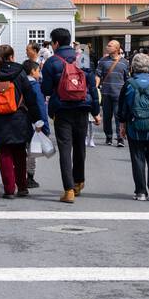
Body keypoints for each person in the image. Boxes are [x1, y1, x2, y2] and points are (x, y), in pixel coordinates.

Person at [40, 27, 99, 203]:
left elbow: (46, 90)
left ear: (56, 43)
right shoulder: (83, 58)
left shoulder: (51, 62)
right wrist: (96, 112)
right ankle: (79, 182)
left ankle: (68, 190)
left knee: (65, 149)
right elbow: (92, 87)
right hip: (82, 107)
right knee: (80, 147)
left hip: (62, 109)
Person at [0, 44, 42, 198]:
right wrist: (36, 119)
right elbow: (30, 97)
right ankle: (22, 187)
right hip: (19, 117)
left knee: (3, 154)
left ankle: (9, 189)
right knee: (19, 153)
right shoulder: (20, 72)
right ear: (12, 56)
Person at [118, 53, 149, 200]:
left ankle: (140, 192)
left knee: (137, 157)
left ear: (133, 67)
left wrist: (122, 126)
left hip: (134, 125)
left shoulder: (128, 84)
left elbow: (122, 108)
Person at [96, 41, 130, 148]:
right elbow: (98, 75)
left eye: (110, 46)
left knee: (118, 116)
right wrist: (95, 87)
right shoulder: (103, 61)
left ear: (116, 48)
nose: (107, 47)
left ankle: (120, 138)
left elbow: (127, 79)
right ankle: (109, 137)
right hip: (106, 93)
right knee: (107, 117)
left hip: (119, 94)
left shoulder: (125, 62)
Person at [23, 58, 47, 190]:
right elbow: (40, 107)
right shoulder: (35, 86)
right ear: (32, 71)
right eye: (38, 71)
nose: (39, 73)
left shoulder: (18, 83)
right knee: (32, 152)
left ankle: (19, 175)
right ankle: (30, 177)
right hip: (32, 123)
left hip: (18, 122)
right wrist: (44, 127)